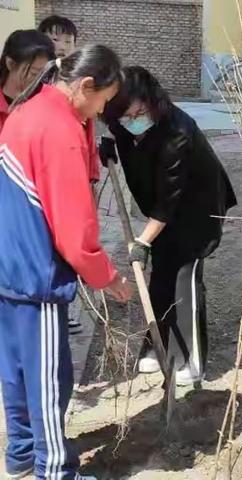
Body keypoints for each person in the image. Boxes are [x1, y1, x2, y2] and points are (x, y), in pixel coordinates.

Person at [0, 44, 132, 480]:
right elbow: (75, 232)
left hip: (8, 265)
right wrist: (107, 276)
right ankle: (55, 469)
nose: (101, 110)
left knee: (16, 370)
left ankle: (20, 454)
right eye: (103, 100)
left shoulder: (25, 111)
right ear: (85, 85)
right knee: (48, 379)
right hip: (37, 272)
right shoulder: (59, 129)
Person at [100, 66, 237, 385]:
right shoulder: (123, 121)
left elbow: (168, 204)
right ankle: (157, 345)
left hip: (196, 210)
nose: (133, 120)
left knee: (184, 277)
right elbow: (122, 137)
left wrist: (142, 242)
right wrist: (109, 145)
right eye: (125, 116)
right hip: (158, 210)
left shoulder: (177, 133)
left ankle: (192, 359)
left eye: (138, 112)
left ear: (153, 102)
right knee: (161, 273)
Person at [38, 15, 102, 335]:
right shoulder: (39, 82)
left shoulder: (81, 79)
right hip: (49, 175)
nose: (60, 45)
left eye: (67, 40)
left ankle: (73, 309)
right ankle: (53, 304)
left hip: (81, 169)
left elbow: (89, 126)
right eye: (53, 38)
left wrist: (93, 166)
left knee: (79, 235)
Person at [0, 29, 55, 132]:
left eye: (43, 74)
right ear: (10, 64)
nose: (39, 80)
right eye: (34, 73)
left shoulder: (47, 103)